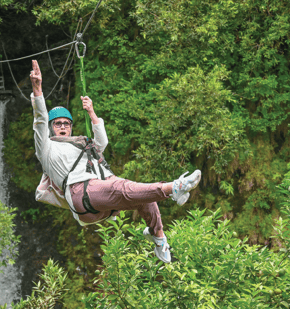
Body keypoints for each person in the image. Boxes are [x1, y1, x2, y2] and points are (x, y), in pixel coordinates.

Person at [30, 60, 201, 263]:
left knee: (145, 198)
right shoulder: (47, 149)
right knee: (123, 187)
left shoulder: (80, 144)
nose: (63, 126)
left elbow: (102, 143)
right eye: (58, 123)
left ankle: (159, 238)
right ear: (51, 127)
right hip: (82, 195)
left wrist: (92, 113)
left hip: (100, 196)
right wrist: (38, 89)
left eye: (67, 123)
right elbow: (39, 119)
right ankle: (175, 187)